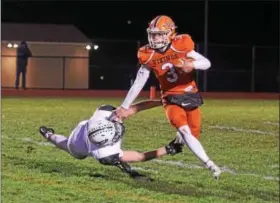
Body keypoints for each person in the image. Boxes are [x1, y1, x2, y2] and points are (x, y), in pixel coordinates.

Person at [114, 15, 222, 179]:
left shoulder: (181, 45)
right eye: (152, 34)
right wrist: (124, 105)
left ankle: (177, 143)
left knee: (192, 134)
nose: (154, 37)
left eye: (158, 34)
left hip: (191, 93)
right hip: (170, 97)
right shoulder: (148, 54)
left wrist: (191, 64)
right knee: (184, 130)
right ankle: (210, 164)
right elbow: (139, 82)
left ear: (170, 33)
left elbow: (206, 63)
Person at [38, 100, 183, 178]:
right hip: (77, 144)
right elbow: (140, 156)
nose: (118, 127)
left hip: (87, 128)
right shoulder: (106, 153)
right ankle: (49, 135)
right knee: (65, 144)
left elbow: (136, 108)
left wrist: (162, 101)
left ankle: (48, 134)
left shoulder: (105, 116)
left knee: (65, 143)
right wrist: (168, 149)